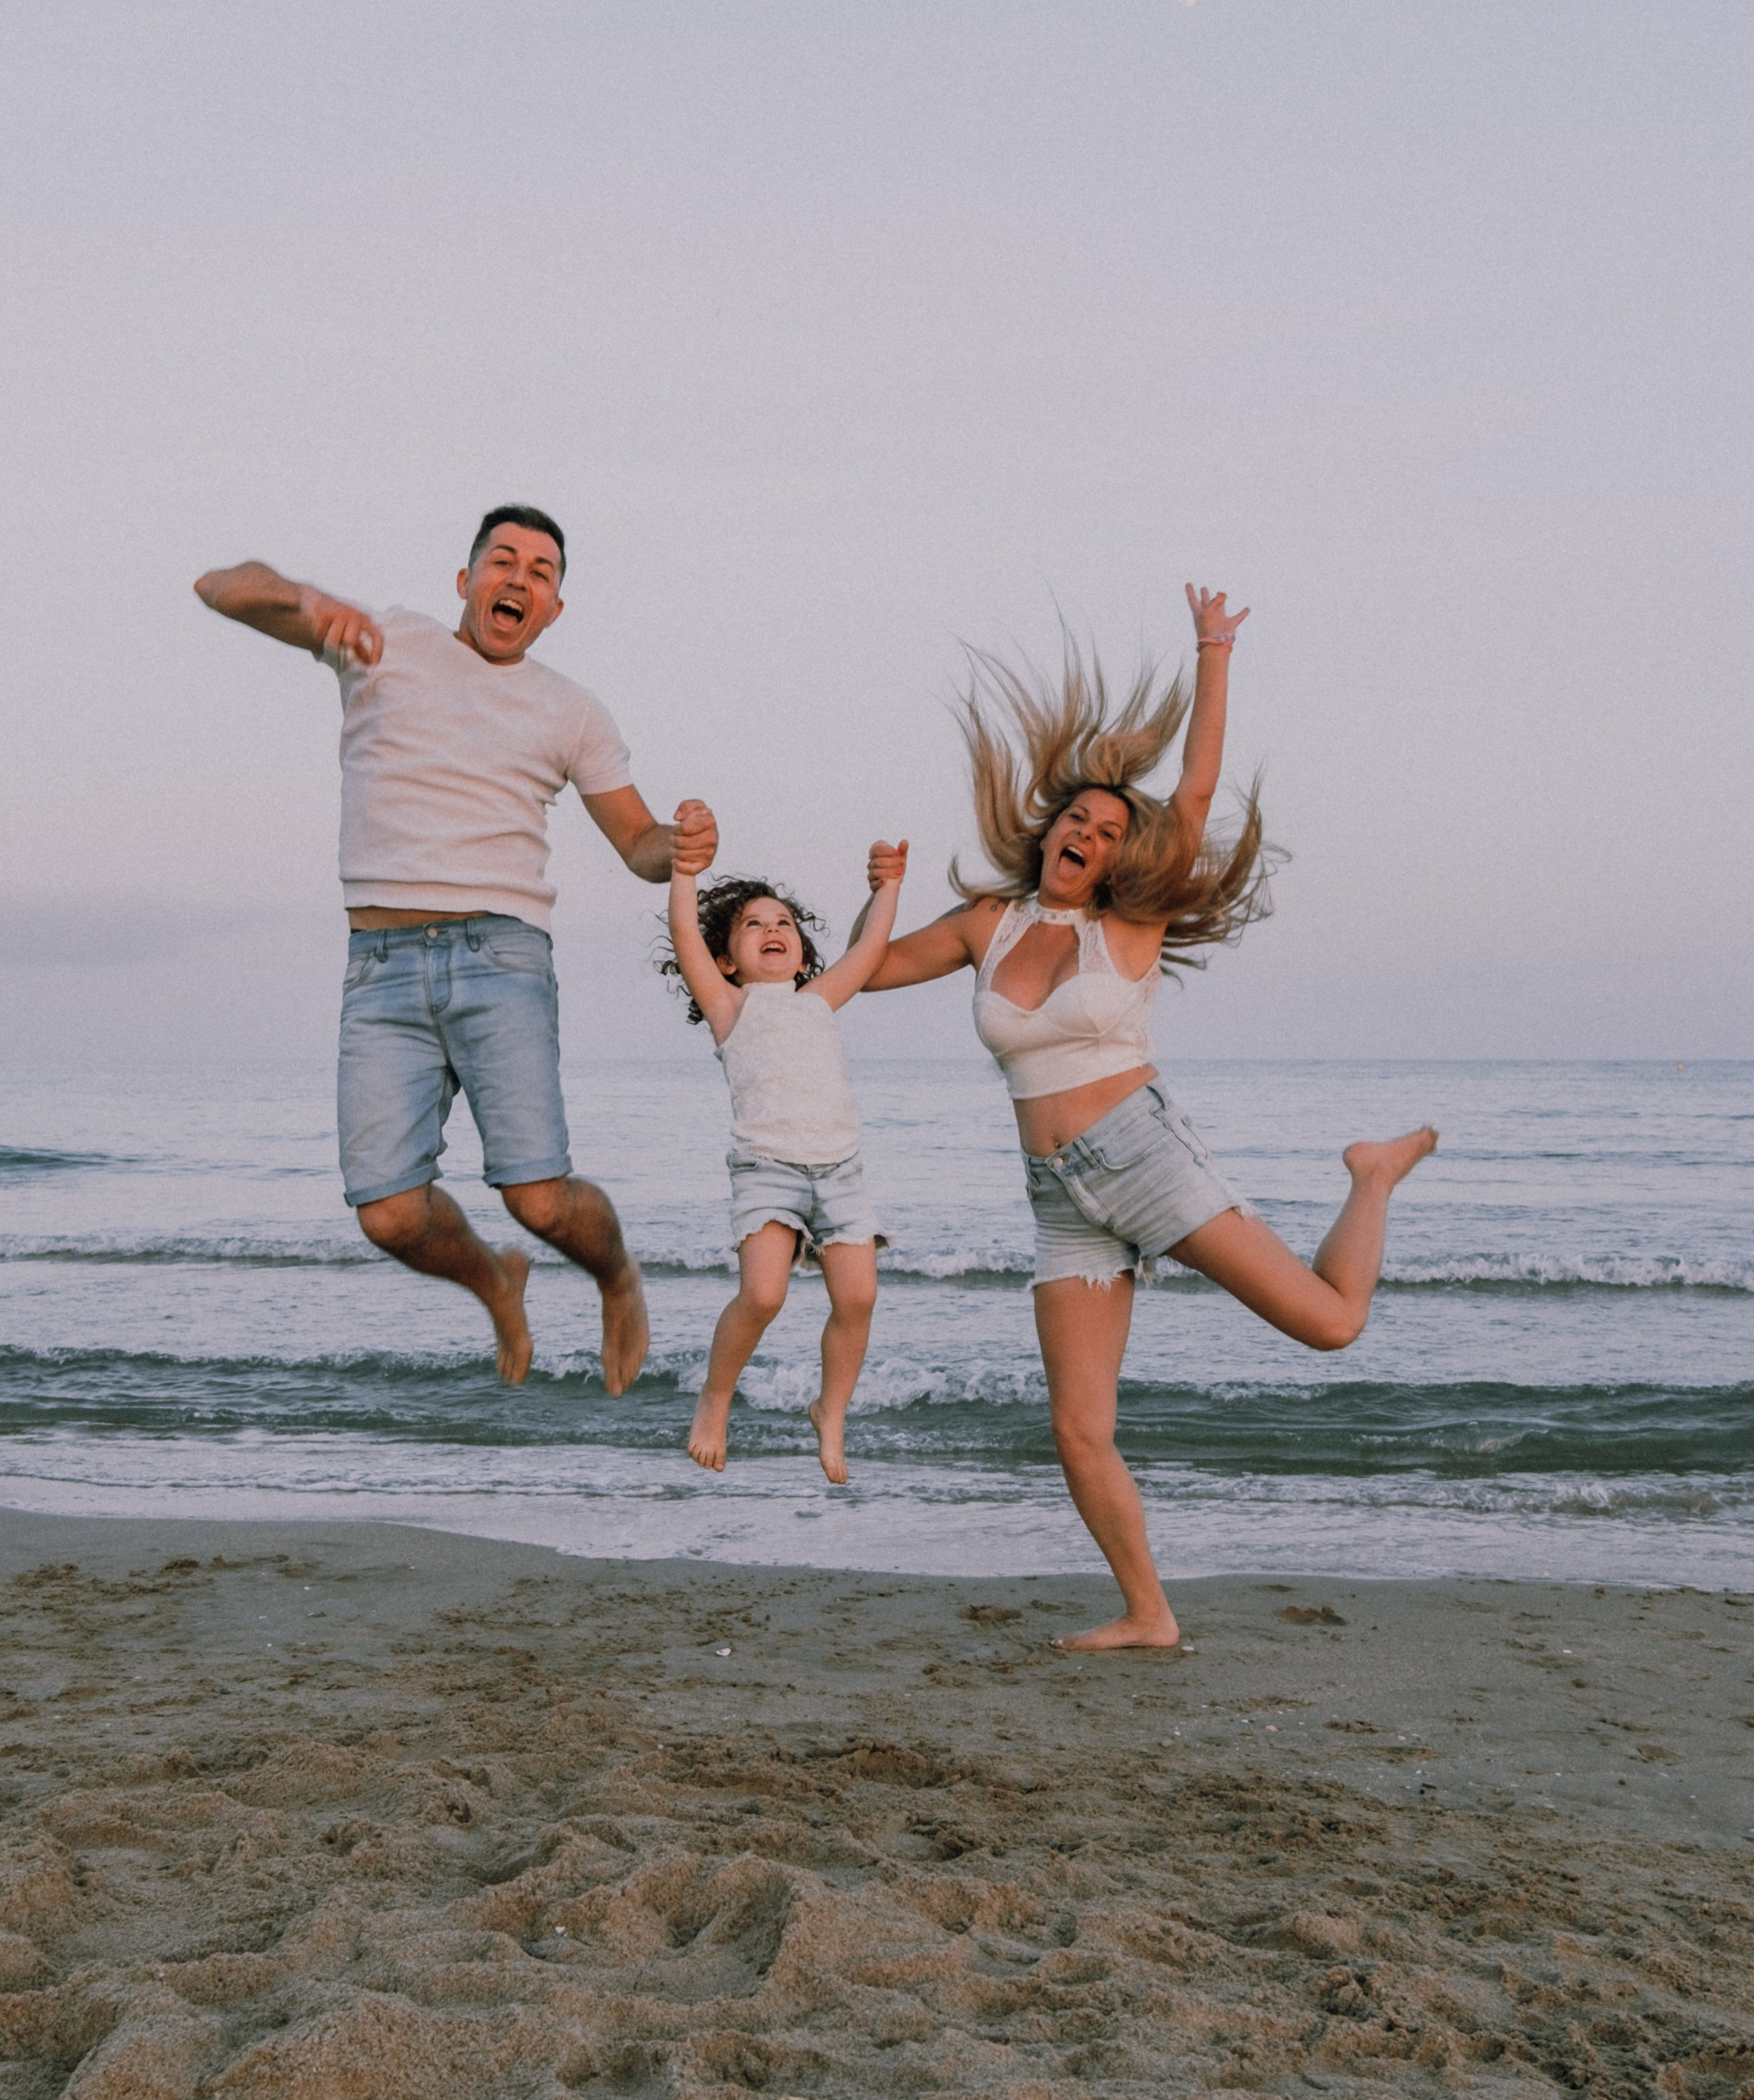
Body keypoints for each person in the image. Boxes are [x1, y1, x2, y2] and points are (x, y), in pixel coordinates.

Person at [855, 589, 1437, 1650]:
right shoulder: (987, 925)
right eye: (1076, 819)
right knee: (1078, 1429)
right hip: (1058, 1197)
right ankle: (1149, 1613)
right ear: (1049, 832)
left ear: (1123, 856)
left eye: (1109, 830)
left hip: (1142, 1157)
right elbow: (867, 970)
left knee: (1331, 1326)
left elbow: (1196, 788)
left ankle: (1371, 1175)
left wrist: (1212, 651)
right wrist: (875, 895)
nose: (1087, 833)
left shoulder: (1130, 922)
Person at [194, 506, 714, 1394]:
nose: (519, 579)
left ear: (554, 608)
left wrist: (683, 843)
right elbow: (219, 587)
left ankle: (616, 1276)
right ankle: (494, 1282)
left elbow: (637, 844)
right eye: (502, 561)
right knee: (389, 1216)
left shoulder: (571, 708)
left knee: (540, 1201)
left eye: (541, 572)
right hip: (380, 967)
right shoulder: (386, 640)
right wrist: (306, 599)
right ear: (466, 581)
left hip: (501, 957)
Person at [662, 842, 908, 1482]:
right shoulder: (730, 1005)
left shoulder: (819, 999)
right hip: (768, 1170)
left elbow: (870, 949)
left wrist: (888, 887)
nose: (772, 930)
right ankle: (715, 1398)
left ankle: (831, 1411)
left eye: (784, 923)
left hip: (841, 1170)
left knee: (859, 1297)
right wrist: (684, 872)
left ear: (801, 953)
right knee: (763, 1294)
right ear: (726, 960)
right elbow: (685, 934)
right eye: (753, 924)